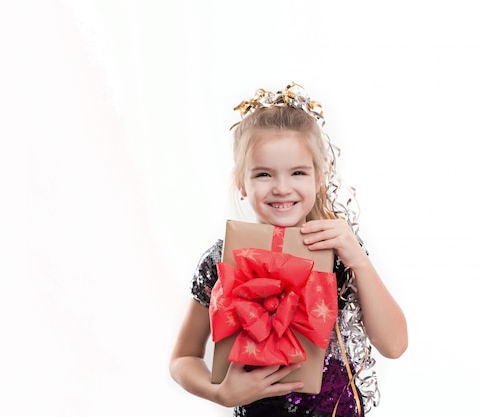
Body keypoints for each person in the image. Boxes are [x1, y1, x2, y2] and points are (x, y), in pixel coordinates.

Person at [169, 83, 408, 417]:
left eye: (297, 172)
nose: (282, 188)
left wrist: (359, 261)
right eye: (264, 174)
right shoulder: (222, 259)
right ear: (241, 182)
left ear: (319, 178)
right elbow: (182, 358)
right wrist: (219, 392)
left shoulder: (337, 250)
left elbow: (394, 345)